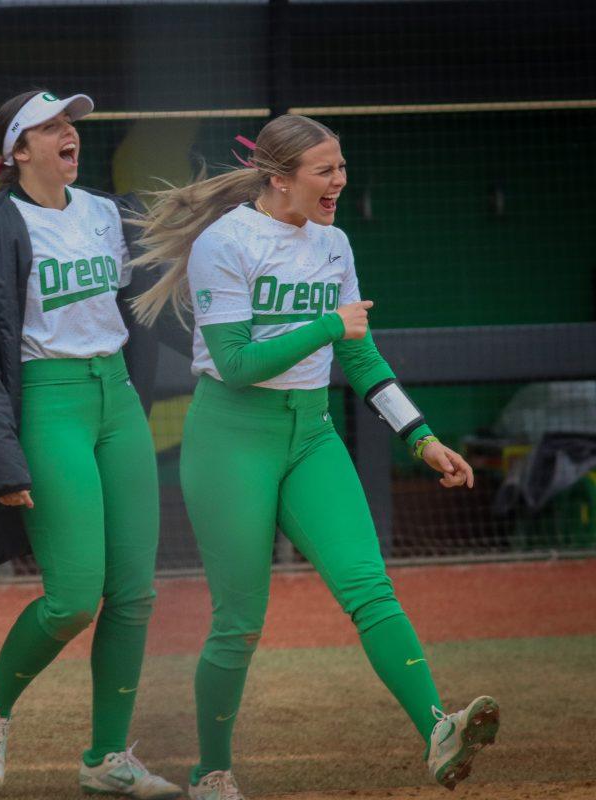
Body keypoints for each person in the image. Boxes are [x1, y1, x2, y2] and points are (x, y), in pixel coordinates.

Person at [130, 114, 500, 800]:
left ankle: (438, 728)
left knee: (369, 588)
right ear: (279, 179)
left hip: (311, 433)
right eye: (325, 171)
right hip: (230, 439)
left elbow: (358, 354)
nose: (339, 182)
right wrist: (328, 323)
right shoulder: (226, 242)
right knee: (239, 622)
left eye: (342, 167)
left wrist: (419, 435)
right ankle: (211, 771)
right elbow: (237, 364)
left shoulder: (333, 242)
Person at [0, 90, 180, 799]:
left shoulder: (107, 212)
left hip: (117, 402)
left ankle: (107, 760)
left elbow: (145, 307)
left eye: (70, 121)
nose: (68, 132)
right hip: (47, 403)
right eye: (49, 125)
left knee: (134, 594)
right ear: (17, 151)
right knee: (73, 597)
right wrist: (5, 459)